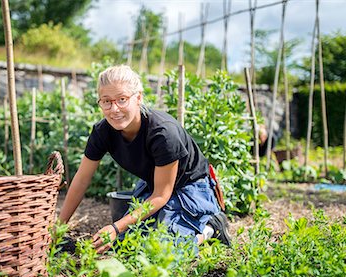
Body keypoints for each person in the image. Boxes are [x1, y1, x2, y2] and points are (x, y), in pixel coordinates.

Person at [58, 65, 231, 254]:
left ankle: (210, 229)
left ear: (138, 98)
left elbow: (161, 195)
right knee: (126, 247)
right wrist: (58, 229)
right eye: (106, 101)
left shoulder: (163, 134)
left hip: (190, 188)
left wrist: (116, 227)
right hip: (155, 186)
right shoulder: (102, 132)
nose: (114, 109)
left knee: (161, 253)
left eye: (122, 100)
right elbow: (81, 180)